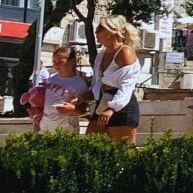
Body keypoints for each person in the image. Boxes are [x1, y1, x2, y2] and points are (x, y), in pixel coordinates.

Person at [91, 17, 147, 145]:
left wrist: (113, 108)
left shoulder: (125, 52)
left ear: (111, 31)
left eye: (100, 28)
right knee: (92, 147)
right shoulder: (101, 55)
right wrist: (81, 98)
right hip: (103, 104)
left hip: (122, 107)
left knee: (122, 154)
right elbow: (97, 84)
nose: (96, 32)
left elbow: (127, 85)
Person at [33, 44, 89, 132]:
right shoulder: (52, 78)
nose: (56, 64)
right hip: (45, 127)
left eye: (60, 61)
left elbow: (82, 110)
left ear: (72, 61)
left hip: (65, 129)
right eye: (54, 61)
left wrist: (72, 109)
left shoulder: (79, 84)